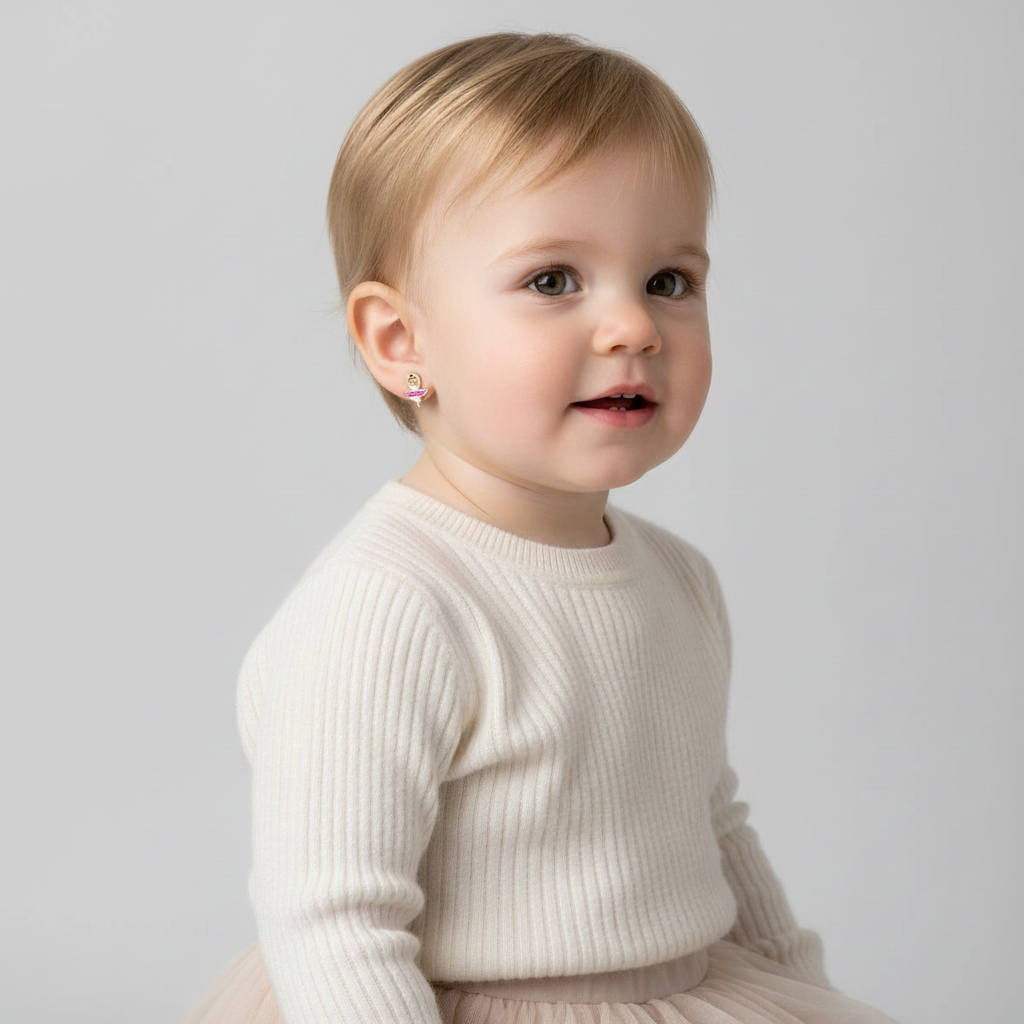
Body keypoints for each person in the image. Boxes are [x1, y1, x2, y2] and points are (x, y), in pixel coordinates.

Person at [180, 32, 897, 1024]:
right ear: (401, 340)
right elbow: (334, 921)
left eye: (669, 281)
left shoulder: (679, 579)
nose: (634, 326)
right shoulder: (389, 605)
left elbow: (711, 821)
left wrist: (800, 985)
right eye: (553, 280)